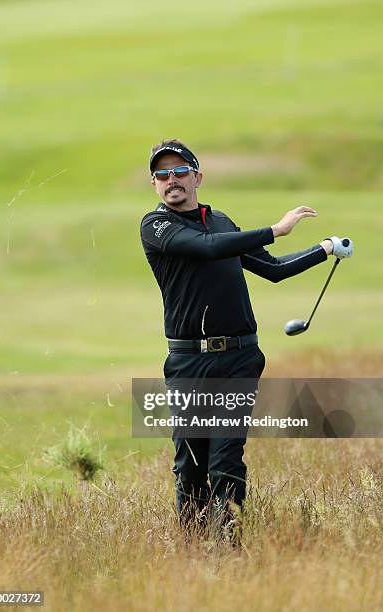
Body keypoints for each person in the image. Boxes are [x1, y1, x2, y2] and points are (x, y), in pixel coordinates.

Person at [140, 138, 353, 534]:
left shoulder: (220, 221)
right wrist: (276, 228)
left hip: (239, 357)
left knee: (226, 460)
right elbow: (205, 249)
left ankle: (229, 552)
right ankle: (193, 549)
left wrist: (322, 250)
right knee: (190, 464)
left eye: (180, 171)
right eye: (162, 174)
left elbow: (272, 269)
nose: (172, 180)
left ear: (197, 176)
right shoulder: (156, 226)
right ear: (154, 184)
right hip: (189, 361)